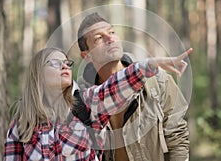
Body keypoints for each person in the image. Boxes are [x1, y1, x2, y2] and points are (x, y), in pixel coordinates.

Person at [3, 47, 192, 160]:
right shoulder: (22, 123)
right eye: (54, 63)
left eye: (67, 63)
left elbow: (116, 87)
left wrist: (149, 65)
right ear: (37, 75)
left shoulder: (88, 104)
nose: (64, 66)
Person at [77, 12, 191, 161]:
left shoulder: (157, 79)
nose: (110, 38)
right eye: (99, 38)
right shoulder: (82, 98)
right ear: (87, 55)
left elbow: (177, 136)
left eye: (112, 32)